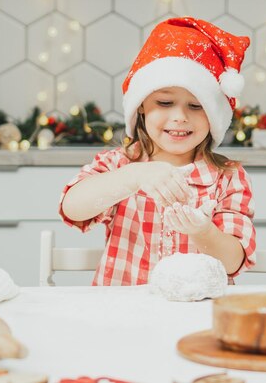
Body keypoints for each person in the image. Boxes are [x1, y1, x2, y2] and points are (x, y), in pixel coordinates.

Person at [59, 17, 255, 286]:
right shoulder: (120, 164)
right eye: (164, 102)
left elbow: (234, 262)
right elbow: (72, 208)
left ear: (214, 114)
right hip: (123, 313)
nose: (179, 117)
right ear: (141, 104)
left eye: (196, 106)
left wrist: (203, 231)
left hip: (197, 315)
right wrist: (135, 175)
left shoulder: (226, 177)